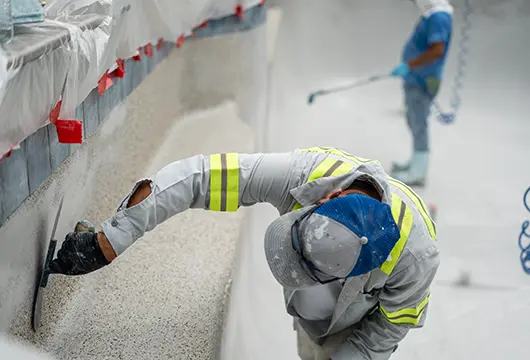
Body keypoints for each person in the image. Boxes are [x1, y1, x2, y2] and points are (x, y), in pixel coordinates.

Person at [50, 147, 440, 360]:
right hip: (319, 310)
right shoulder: (306, 173)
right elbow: (200, 177)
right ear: (329, 197)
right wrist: (111, 240)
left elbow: (385, 333)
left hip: (353, 325)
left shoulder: (416, 260)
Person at [390, 0, 454, 186]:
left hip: (422, 80)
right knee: (413, 119)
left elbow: (437, 50)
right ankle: (415, 162)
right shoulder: (432, 14)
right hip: (416, 78)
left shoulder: (439, 16)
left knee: (419, 123)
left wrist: (409, 65)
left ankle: (418, 172)